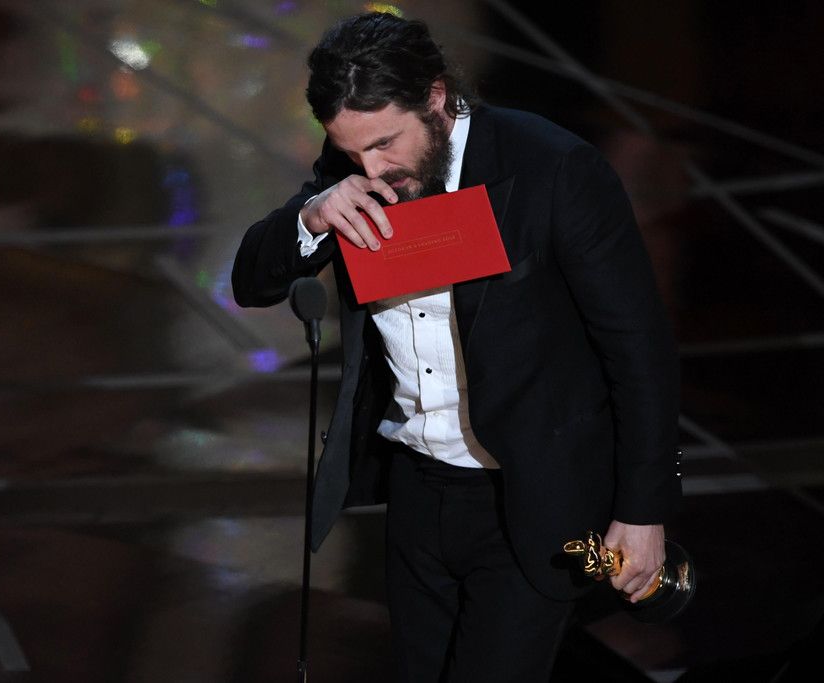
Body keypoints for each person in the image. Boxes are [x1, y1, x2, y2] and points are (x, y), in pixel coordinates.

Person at [232, 12, 681, 683]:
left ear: (437, 98)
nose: (373, 169)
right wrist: (311, 215)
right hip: (416, 492)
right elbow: (252, 281)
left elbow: (638, 350)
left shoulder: (553, 168)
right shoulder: (351, 169)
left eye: (385, 144)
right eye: (352, 153)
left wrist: (642, 512)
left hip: (530, 495)